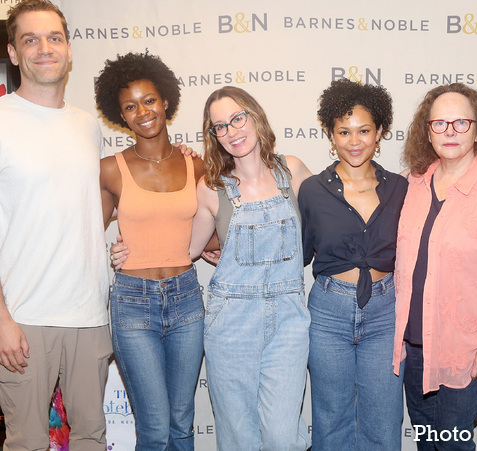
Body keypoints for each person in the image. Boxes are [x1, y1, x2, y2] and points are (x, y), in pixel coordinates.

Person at [0, 1, 113, 449]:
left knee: (91, 437)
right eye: (30, 39)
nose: (44, 49)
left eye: (54, 38)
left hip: (90, 314)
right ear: (13, 53)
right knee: (26, 441)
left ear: (68, 50)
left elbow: (89, 205)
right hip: (24, 318)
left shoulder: (87, 125)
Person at [393, 83, 477, 450]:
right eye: (439, 123)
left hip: (466, 350)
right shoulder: (413, 183)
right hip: (415, 346)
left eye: (460, 122)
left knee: (452, 444)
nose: (450, 131)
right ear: (427, 131)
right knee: (426, 443)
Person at [189, 86, 312, 450]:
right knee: (239, 435)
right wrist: (128, 244)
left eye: (237, 118)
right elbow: (190, 248)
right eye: (220, 127)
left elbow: (333, 218)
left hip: (289, 321)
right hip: (231, 325)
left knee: (281, 435)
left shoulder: (293, 170)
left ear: (255, 117)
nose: (232, 131)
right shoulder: (211, 188)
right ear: (213, 136)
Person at [95, 51, 206, 450]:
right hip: (133, 302)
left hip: (186, 299)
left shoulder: (196, 165)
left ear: (165, 102)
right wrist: (110, 251)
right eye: (130, 106)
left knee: (181, 423)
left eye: (149, 100)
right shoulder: (111, 168)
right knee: (156, 428)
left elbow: (211, 231)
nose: (142, 111)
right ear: (120, 115)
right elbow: (89, 231)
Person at [298, 78, 407, 450]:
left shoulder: (400, 188)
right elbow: (295, 250)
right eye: (344, 131)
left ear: (380, 133)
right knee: (331, 417)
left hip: (385, 310)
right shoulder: (312, 189)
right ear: (331, 134)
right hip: (328, 311)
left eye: (364, 130)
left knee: (384, 416)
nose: (354, 140)